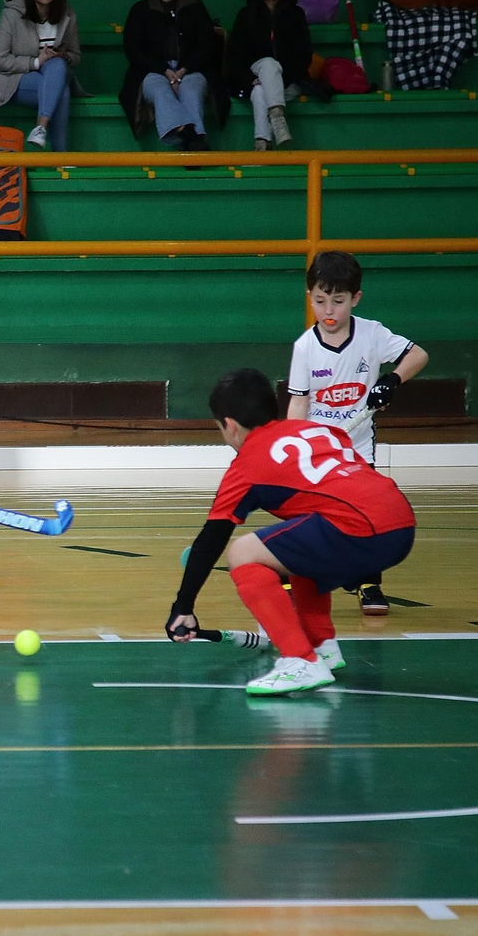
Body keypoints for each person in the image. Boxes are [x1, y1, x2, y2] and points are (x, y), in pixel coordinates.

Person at [165, 368, 417, 696]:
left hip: (360, 529)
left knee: (243, 552)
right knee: (294, 546)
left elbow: (210, 542)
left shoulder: (247, 464)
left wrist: (183, 607)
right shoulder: (318, 431)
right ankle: (321, 645)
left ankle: (300, 660)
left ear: (229, 425)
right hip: (401, 523)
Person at [285, 251, 427, 616]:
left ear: (356, 298)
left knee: (366, 514)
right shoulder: (304, 348)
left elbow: (418, 355)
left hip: (358, 449)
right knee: (310, 517)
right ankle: (294, 574)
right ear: (309, 297)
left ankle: (368, 582)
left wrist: (392, 380)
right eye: (320, 301)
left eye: (338, 300)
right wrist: (293, 445)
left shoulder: (372, 334)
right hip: (318, 452)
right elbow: (299, 403)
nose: (328, 310)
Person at [119, 0, 226, 152]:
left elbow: (207, 46)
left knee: (191, 91)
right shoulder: (140, 9)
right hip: (151, 71)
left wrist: (183, 70)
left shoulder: (196, 7)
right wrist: (165, 70)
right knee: (161, 91)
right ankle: (192, 137)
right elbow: (133, 50)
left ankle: (190, 142)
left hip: (192, 69)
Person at [0, 0, 82, 150]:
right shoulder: (11, 15)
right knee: (62, 91)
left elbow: (76, 56)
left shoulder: (67, 14)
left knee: (57, 65)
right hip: (15, 79)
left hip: (54, 74)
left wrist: (64, 56)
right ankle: (60, 155)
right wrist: (36, 62)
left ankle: (40, 128)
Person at [226, 0, 312, 150]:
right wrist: (250, 80)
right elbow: (234, 57)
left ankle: (262, 144)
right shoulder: (245, 15)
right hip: (255, 76)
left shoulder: (296, 15)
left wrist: (275, 80)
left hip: (288, 82)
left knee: (260, 91)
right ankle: (277, 119)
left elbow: (303, 57)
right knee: (267, 64)